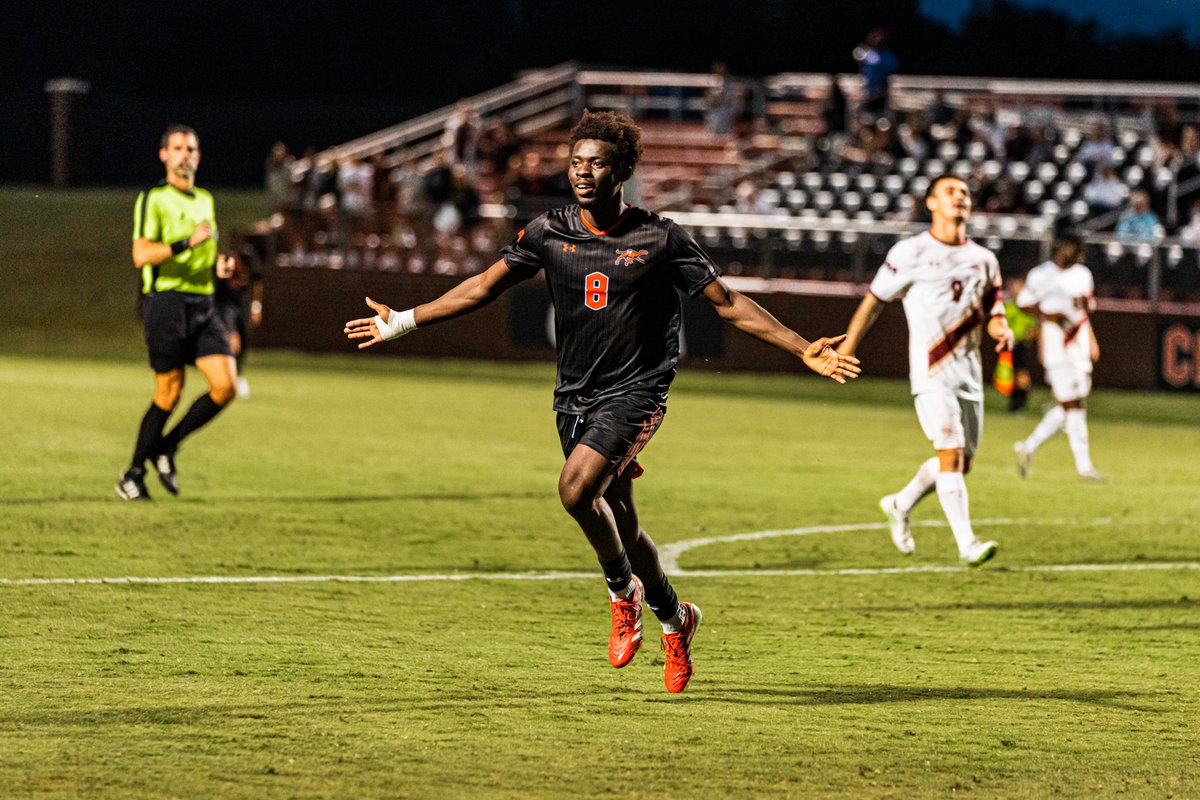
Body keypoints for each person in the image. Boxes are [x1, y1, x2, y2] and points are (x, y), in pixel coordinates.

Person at [343, 111, 860, 693]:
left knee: (574, 490)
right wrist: (405, 321)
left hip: (638, 393)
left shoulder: (661, 238)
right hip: (573, 398)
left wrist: (800, 347)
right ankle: (675, 618)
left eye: (597, 163)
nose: (584, 172)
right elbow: (483, 286)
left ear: (624, 171)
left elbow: (728, 302)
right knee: (625, 525)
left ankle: (622, 594)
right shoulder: (548, 231)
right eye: (577, 162)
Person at [835, 174, 1014, 566]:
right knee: (949, 455)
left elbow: (994, 312)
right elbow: (875, 301)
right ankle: (967, 543)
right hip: (931, 374)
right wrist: (848, 345)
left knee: (961, 464)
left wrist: (1002, 332)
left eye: (965, 192)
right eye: (950, 191)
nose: (960, 197)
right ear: (931, 203)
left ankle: (899, 503)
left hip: (968, 375)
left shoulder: (985, 260)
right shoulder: (910, 252)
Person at [116, 124, 239, 501]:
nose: (186, 154)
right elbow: (141, 255)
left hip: (203, 304)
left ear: (198, 157)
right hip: (166, 304)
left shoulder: (205, 200)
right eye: (178, 148)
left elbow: (205, 252)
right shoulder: (154, 200)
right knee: (169, 393)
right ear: (164, 155)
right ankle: (132, 475)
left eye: (192, 148)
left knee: (225, 385)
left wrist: (218, 266)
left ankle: (167, 446)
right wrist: (186, 242)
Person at [1013, 234, 1104, 483]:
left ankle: (1028, 447)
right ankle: (1084, 468)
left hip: (1079, 342)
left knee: (1069, 404)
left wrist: (1091, 337)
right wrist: (1047, 315)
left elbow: (1088, 308)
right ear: (1060, 248)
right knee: (1074, 405)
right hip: (1056, 345)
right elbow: (1023, 303)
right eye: (1072, 250)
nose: (1075, 256)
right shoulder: (1041, 274)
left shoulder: (1083, 274)